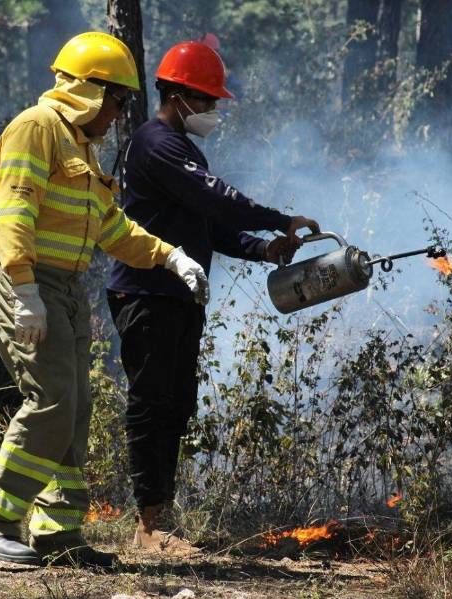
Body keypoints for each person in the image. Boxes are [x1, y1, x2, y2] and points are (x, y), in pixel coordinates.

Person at [0, 32, 209, 569]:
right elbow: (14, 213)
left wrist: (171, 257)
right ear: (89, 90)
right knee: (50, 399)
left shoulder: (81, 146)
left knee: (75, 407)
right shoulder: (36, 129)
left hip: (63, 288)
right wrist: (24, 287)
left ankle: (57, 531)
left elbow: (112, 227)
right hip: (23, 280)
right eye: (119, 100)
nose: (122, 114)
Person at [106, 41, 321, 554]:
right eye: (205, 101)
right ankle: (150, 526)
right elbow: (216, 199)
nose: (211, 111)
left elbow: (209, 226)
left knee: (176, 404)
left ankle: (159, 520)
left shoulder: (183, 149)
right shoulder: (156, 143)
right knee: (151, 404)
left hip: (180, 295)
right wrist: (278, 217)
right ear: (177, 96)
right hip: (147, 291)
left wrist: (266, 249)